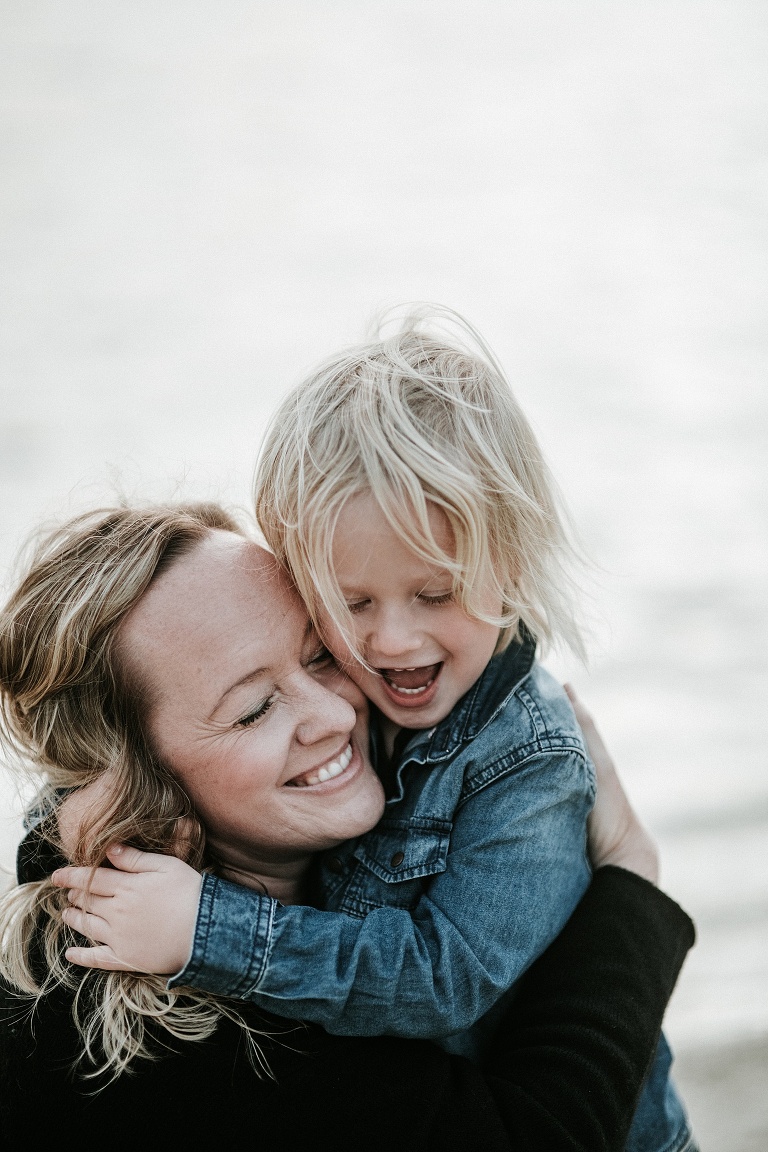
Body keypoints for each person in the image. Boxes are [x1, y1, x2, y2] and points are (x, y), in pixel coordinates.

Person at [57, 311, 692, 1150]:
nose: (390, 642)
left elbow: (444, 979)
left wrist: (205, 932)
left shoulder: (527, 763)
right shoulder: (382, 701)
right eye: (348, 607)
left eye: (435, 594)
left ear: (514, 556)